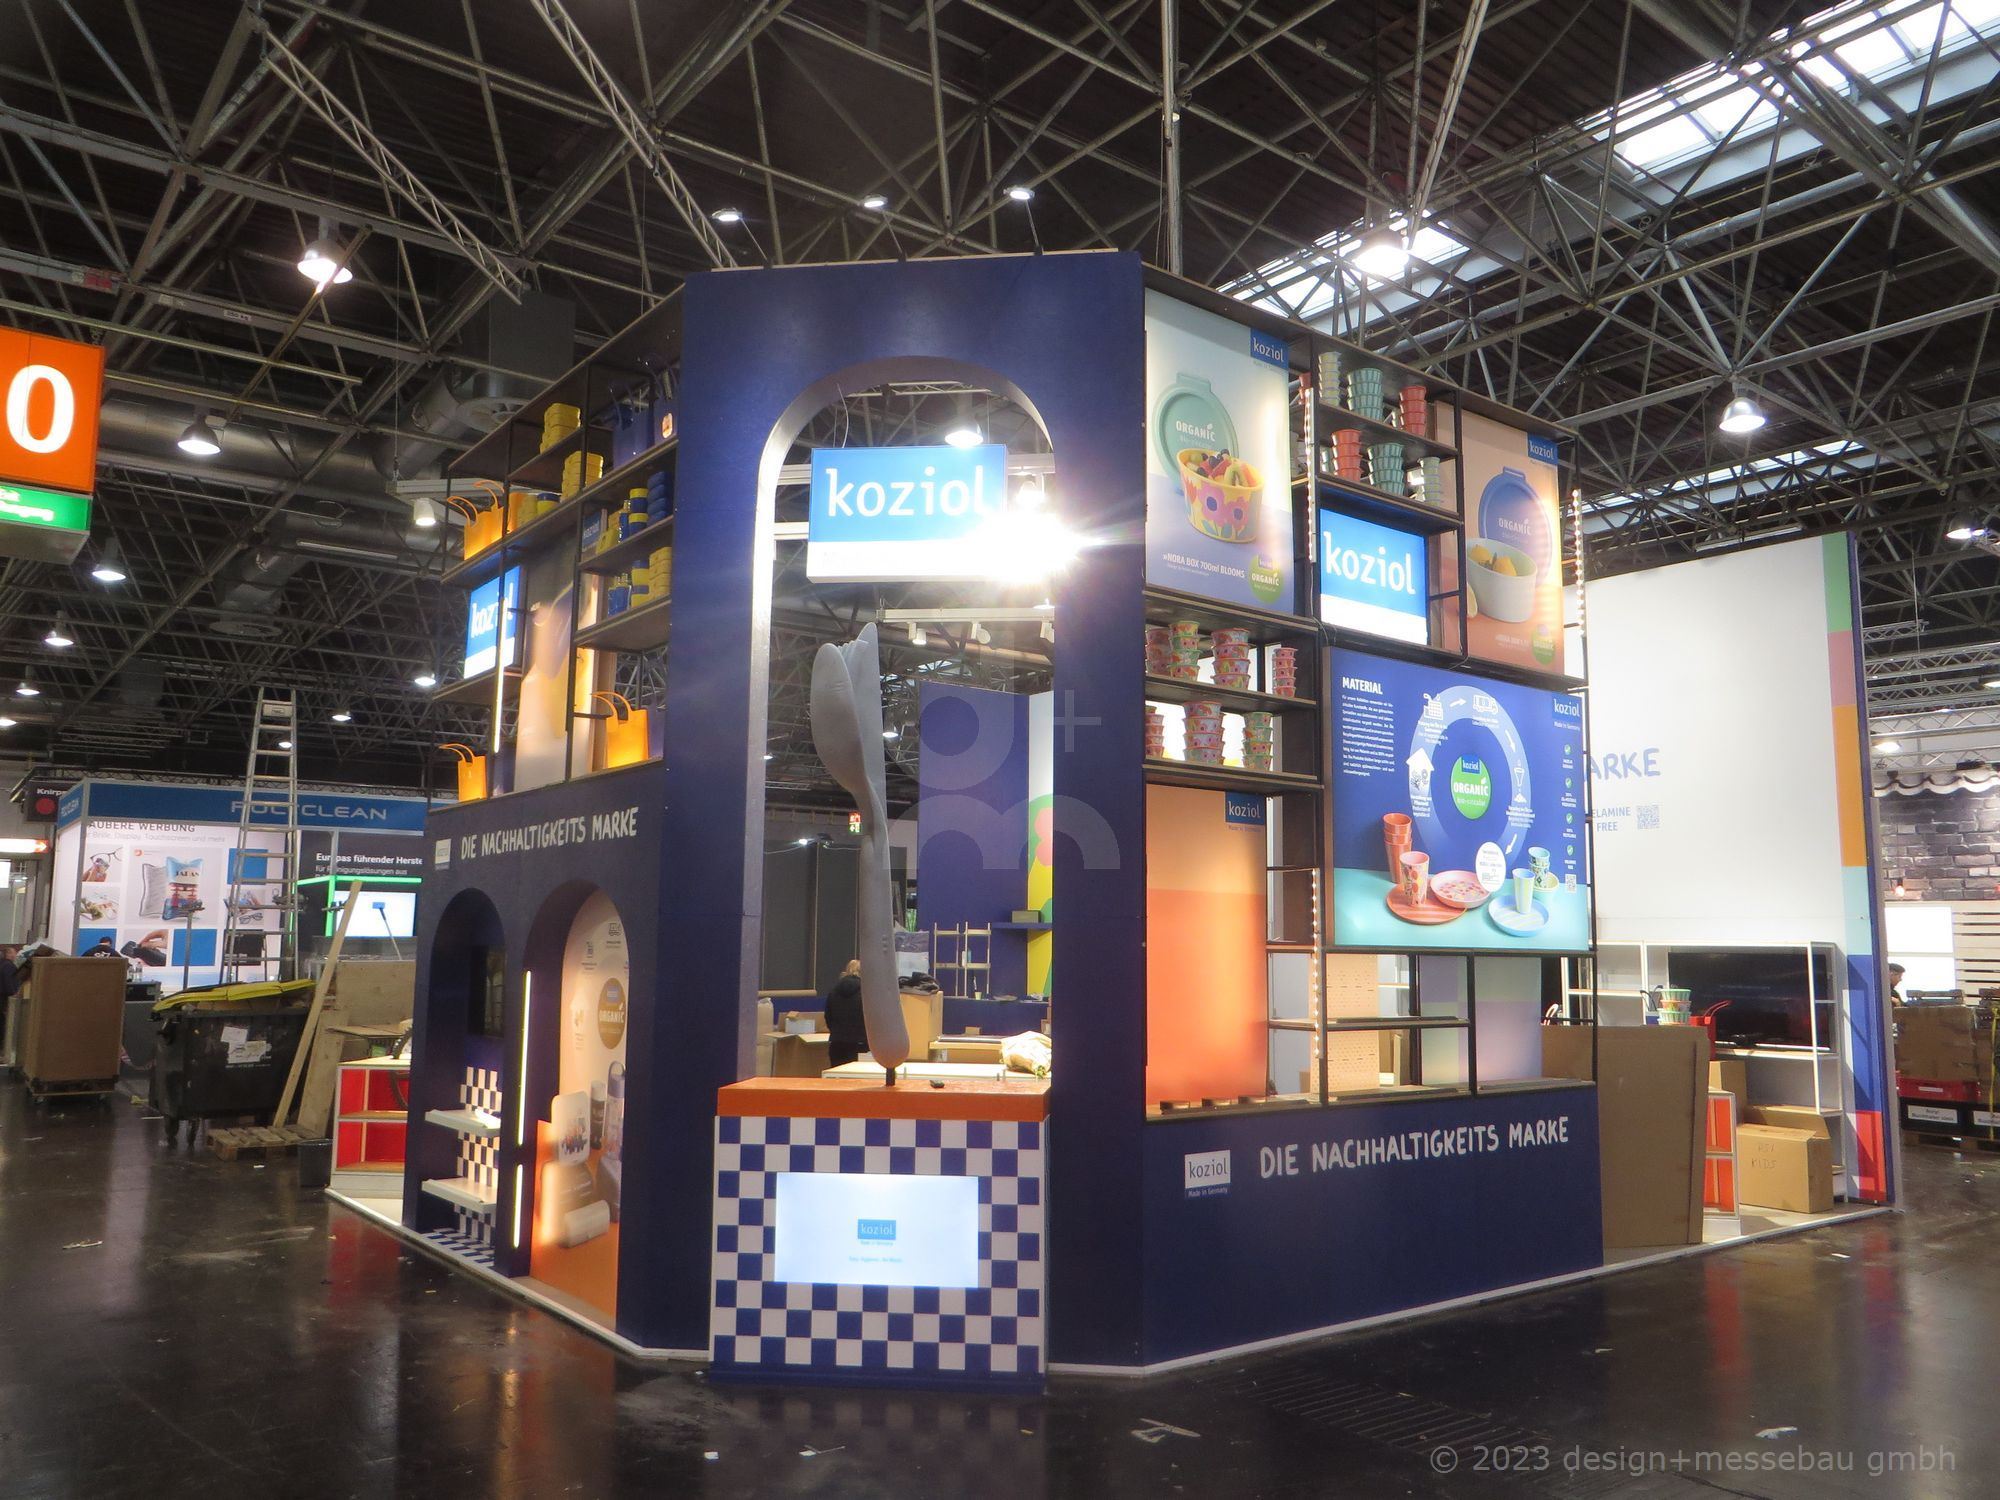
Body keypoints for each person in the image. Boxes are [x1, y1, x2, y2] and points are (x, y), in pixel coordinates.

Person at [824, 958, 868, 1067]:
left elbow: (828, 1017)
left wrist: (836, 1031)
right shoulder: (866, 993)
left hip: (837, 1043)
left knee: (837, 1075)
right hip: (860, 1043)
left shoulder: (833, 991)